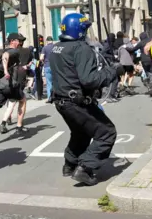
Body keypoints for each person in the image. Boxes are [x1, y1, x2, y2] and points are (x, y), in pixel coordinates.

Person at [49, 13, 120, 186]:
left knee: (81, 133)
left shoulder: (56, 48)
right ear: (79, 30)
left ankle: (70, 164)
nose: (87, 34)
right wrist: (113, 71)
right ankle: (85, 168)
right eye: (85, 30)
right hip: (76, 102)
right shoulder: (80, 48)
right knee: (106, 132)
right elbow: (89, 79)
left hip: (61, 101)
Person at [0, 33, 28, 134]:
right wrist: (6, 71)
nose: (20, 43)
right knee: (23, 100)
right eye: (18, 41)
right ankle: (19, 127)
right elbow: (6, 56)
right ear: (12, 41)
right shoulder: (14, 51)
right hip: (10, 85)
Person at [40, 36, 54, 103]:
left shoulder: (44, 48)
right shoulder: (55, 47)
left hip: (47, 66)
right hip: (55, 66)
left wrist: (43, 62)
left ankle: (49, 98)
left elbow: (41, 58)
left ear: (47, 41)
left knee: (49, 83)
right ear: (52, 41)